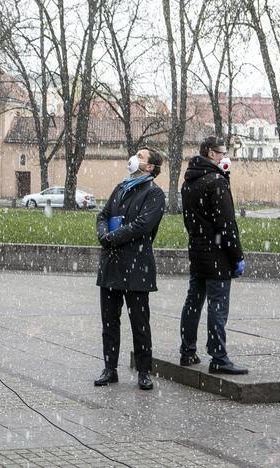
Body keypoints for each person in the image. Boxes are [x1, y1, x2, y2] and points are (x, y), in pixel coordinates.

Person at [94, 147, 165, 390]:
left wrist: (112, 238)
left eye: (141, 156)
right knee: (109, 321)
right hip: (111, 265)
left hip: (136, 267)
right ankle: (109, 368)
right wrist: (104, 234)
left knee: (140, 322)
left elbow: (142, 225)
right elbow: (102, 215)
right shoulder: (121, 187)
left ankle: (144, 371)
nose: (135, 158)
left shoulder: (154, 194)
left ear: (150, 168)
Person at [178, 136, 247, 374]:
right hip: (217, 255)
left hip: (198, 251)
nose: (225, 157)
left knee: (193, 302)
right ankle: (218, 356)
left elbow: (190, 221)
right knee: (218, 306)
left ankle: (187, 351)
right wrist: (237, 256)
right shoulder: (216, 181)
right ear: (210, 153)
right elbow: (226, 224)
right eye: (222, 152)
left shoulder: (189, 181)